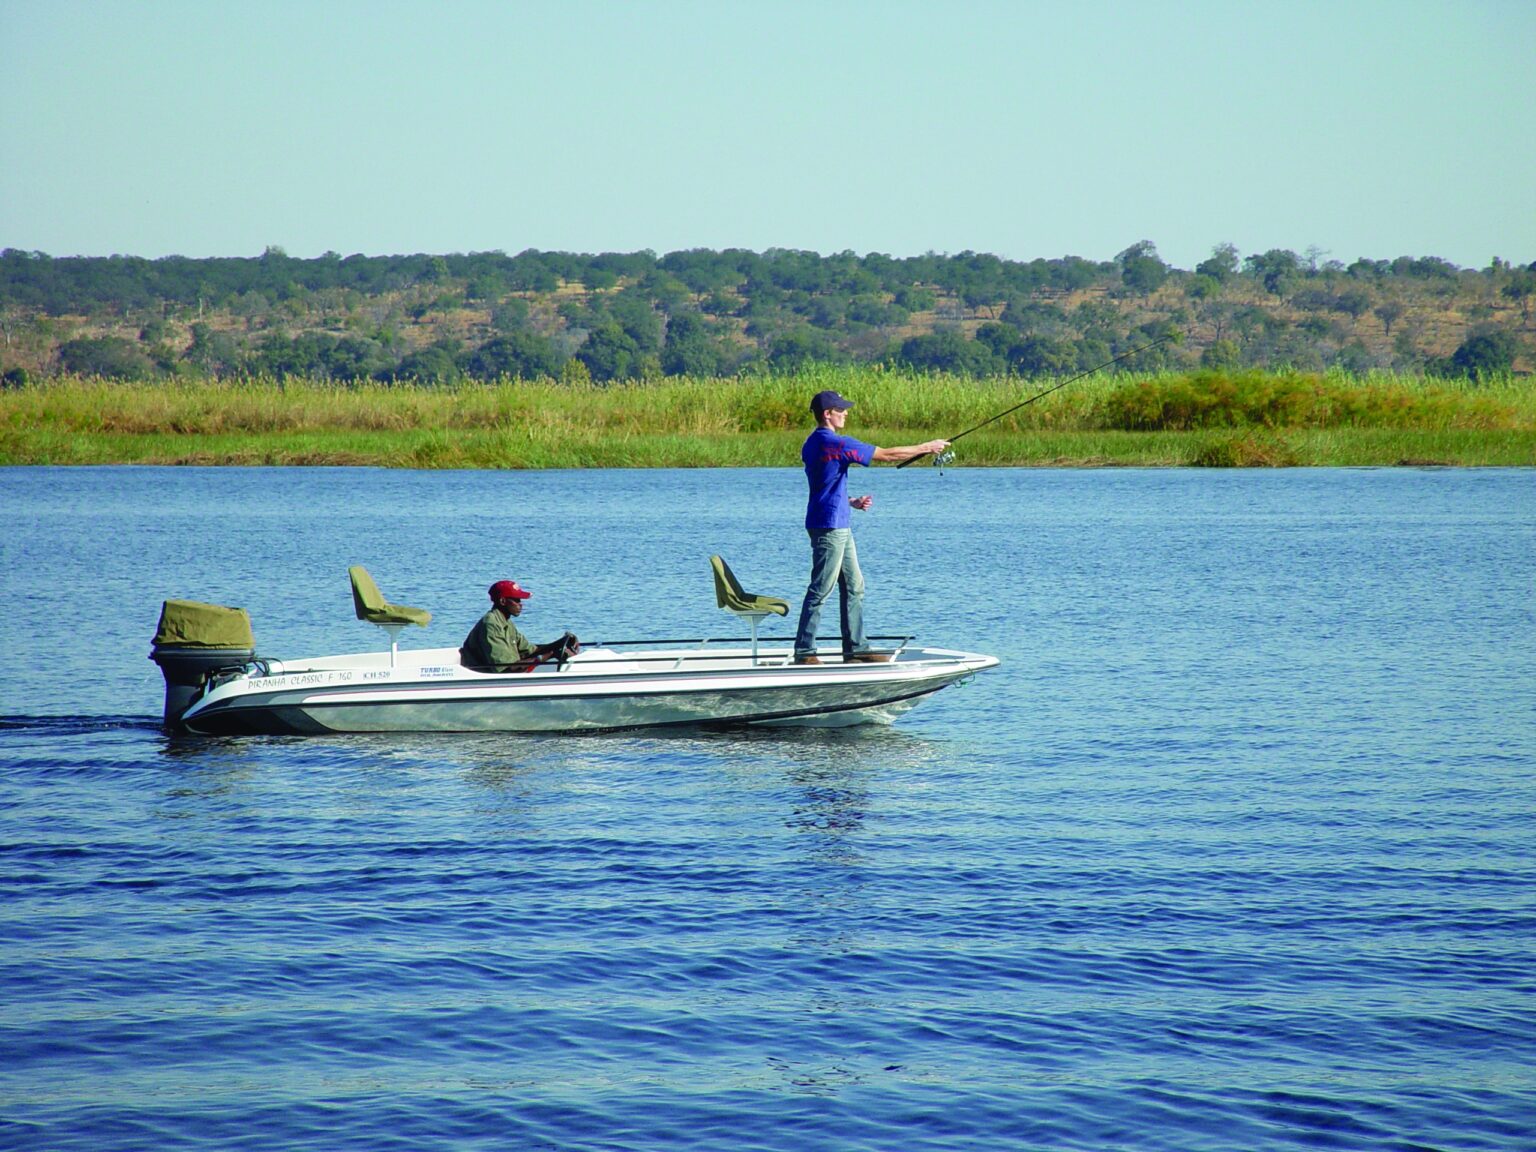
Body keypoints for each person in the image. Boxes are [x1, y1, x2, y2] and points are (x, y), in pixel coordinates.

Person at [793, 389, 949, 665]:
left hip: (835, 520)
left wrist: (851, 501)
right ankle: (805, 652)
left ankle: (856, 649)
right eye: (841, 409)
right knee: (821, 588)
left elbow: (824, 484)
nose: (846, 413)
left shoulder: (811, 443)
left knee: (854, 586)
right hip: (830, 527)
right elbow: (887, 454)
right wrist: (927, 447)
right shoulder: (835, 443)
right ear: (827, 414)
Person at [460, 579, 580, 672]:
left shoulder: (506, 622)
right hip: (485, 681)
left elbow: (531, 651)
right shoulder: (491, 624)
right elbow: (505, 669)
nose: (520, 604)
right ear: (502, 601)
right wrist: (551, 654)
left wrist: (560, 643)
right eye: (516, 600)